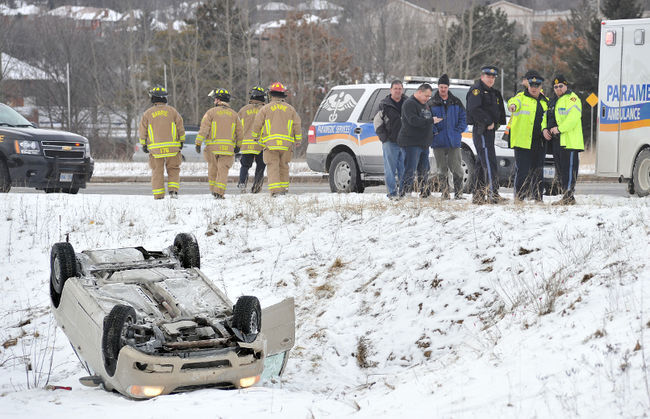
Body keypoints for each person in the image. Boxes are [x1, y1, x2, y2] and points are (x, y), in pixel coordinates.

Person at [251, 82, 302, 197]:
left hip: (270, 144)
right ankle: (283, 189)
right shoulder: (291, 109)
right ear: (283, 95)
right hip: (286, 145)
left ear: (270, 94)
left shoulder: (265, 109)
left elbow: (257, 124)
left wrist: (255, 136)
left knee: (272, 166)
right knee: (284, 166)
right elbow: (297, 125)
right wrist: (298, 140)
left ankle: (275, 191)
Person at [466, 65, 507, 204]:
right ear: (482, 76)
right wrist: (488, 121)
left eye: (492, 77)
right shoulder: (477, 91)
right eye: (488, 76)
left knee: (480, 163)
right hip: (482, 131)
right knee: (489, 162)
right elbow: (473, 109)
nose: (490, 79)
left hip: (490, 131)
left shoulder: (492, 92)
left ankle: (478, 195)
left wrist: (497, 123)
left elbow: (499, 110)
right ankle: (492, 194)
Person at [138, 86, 185, 200]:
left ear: (153, 98)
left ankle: (159, 195)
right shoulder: (173, 111)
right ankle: (173, 191)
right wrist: (181, 141)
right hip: (173, 148)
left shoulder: (147, 114)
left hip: (155, 150)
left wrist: (143, 144)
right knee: (173, 169)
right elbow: (180, 127)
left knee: (157, 171)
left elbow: (142, 130)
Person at [507, 71, 548, 202]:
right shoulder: (520, 97)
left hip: (539, 143)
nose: (534, 88)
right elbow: (513, 102)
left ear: (541, 87)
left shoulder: (545, 102)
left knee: (538, 171)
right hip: (522, 142)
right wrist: (512, 106)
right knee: (522, 172)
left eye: (537, 86)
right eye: (532, 85)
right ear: (528, 86)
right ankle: (519, 198)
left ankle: (537, 198)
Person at [195, 88, 243, 199]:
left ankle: (213, 191)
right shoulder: (234, 115)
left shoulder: (210, 113)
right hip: (227, 148)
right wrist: (238, 146)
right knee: (223, 171)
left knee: (212, 169)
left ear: (217, 99)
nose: (213, 101)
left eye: (214, 99)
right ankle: (219, 192)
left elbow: (204, 129)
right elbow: (240, 132)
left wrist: (198, 142)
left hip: (212, 148)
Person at [543, 74, 584, 205]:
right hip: (556, 141)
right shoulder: (553, 101)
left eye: (561, 86)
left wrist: (559, 128)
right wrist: (544, 129)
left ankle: (569, 197)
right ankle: (565, 196)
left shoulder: (572, 99)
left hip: (569, 142)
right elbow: (546, 117)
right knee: (561, 171)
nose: (558, 88)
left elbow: (573, 117)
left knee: (569, 170)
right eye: (555, 87)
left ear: (566, 86)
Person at [430, 74, 468, 199]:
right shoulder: (432, 103)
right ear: (438, 87)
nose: (443, 89)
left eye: (445, 87)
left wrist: (457, 131)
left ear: (448, 87)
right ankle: (444, 194)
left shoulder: (456, 102)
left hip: (453, 141)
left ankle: (458, 194)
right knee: (441, 170)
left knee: (457, 169)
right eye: (441, 87)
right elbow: (427, 120)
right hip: (438, 141)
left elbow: (463, 118)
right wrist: (434, 131)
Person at [397, 83, 434, 197]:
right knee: (410, 169)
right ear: (419, 92)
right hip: (411, 143)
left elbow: (426, 119)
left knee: (424, 170)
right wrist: (431, 121)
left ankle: (424, 192)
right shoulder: (409, 104)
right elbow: (414, 121)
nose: (427, 98)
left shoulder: (425, 104)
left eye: (429, 97)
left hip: (423, 143)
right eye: (426, 96)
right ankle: (405, 193)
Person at [375, 80, 407, 200]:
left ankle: (404, 193)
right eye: (395, 89)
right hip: (390, 142)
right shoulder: (384, 104)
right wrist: (384, 138)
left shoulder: (407, 102)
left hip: (405, 142)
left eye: (400, 88)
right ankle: (392, 193)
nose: (398, 91)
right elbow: (377, 122)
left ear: (402, 90)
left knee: (404, 169)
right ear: (391, 90)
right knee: (390, 170)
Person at [237, 86, 267, 194]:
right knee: (260, 166)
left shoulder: (243, 110)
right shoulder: (265, 110)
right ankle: (256, 187)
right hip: (260, 144)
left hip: (246, 144)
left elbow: (238, 127)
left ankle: (242, 183)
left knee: (245, 165)